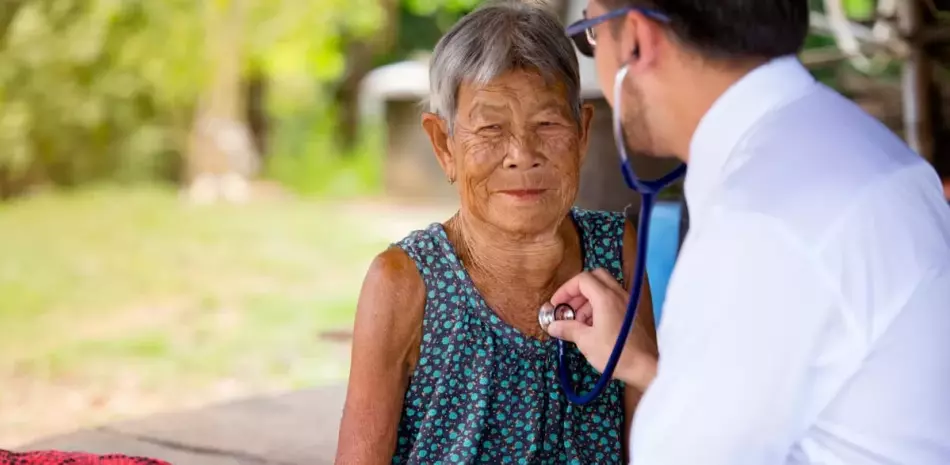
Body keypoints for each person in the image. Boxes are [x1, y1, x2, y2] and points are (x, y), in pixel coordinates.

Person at [546, 1, 950, 464]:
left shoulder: (758, 222)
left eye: (592, 35)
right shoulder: (862, 148)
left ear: (636, 39)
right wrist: (646, 367)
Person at [334, 3, 657, 464]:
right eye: (490, 128)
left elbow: (654, 444)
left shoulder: (615, 252)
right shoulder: (402, 282)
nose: (521, 154)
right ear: (444, 145)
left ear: (583, 134)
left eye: (547, 124)